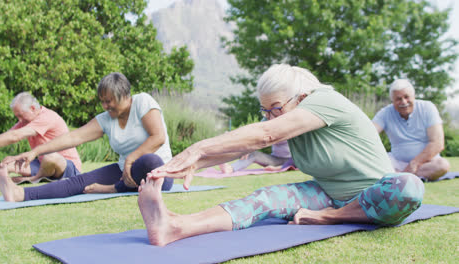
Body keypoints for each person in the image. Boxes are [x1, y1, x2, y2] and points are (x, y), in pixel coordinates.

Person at [136, 64, 425, 247]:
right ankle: (176, 226)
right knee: (264, 198)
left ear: (301, 96)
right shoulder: (294, 120)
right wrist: (192, 163)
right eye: (266, 111)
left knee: (409, 187)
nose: (270, 116)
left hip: (374, 197)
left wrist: (197, 148)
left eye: (275, 108)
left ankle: (328, 217)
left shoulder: (325, 100)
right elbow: (244, 146)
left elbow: (266, 135)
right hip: (327, 193)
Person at [0, 72, 173, 202]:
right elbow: (73, 137)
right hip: (125, 173)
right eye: (102, 101)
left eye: (109, 100)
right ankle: (20, 194)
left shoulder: (143, 101)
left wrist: (130, 159)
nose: (105, 106)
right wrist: (35, 152)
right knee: (79, 181)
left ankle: (112, 189)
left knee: (150, 160)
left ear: (125, 95)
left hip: (159, 174)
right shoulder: (106, 119)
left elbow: (158, 137)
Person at [0, 92, 82, 184]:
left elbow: (15, 136)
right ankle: (38, 176)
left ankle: (34, 178)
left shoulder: (47, 117)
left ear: (32, 108)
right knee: (6, 165)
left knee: (50, 157)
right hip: (42, 164)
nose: (19, 120)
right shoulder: (25, 121)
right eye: (17, 116)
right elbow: (5, 136)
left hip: (66, 165)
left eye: (20, 115)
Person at [372, 79, 450, 181]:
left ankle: (399, 177)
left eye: (406, 97)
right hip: (396, 162)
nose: (403, 102)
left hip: (425, 163)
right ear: (392, 101)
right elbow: (370, 132)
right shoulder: (385, 112)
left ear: (413, 96)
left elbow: (438, 143)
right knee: (374, 162)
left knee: (442, 165)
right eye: (398, 99)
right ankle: (405, 176)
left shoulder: (428, 107)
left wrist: (415, 163)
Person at [219, 140, 294, 173]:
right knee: (253, 154)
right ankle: (230, 168)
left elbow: (297, 159)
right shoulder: (270, 122)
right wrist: (249, 148)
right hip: (275, 159)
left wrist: (279, 168)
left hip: (290, 160)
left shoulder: (291, 128)